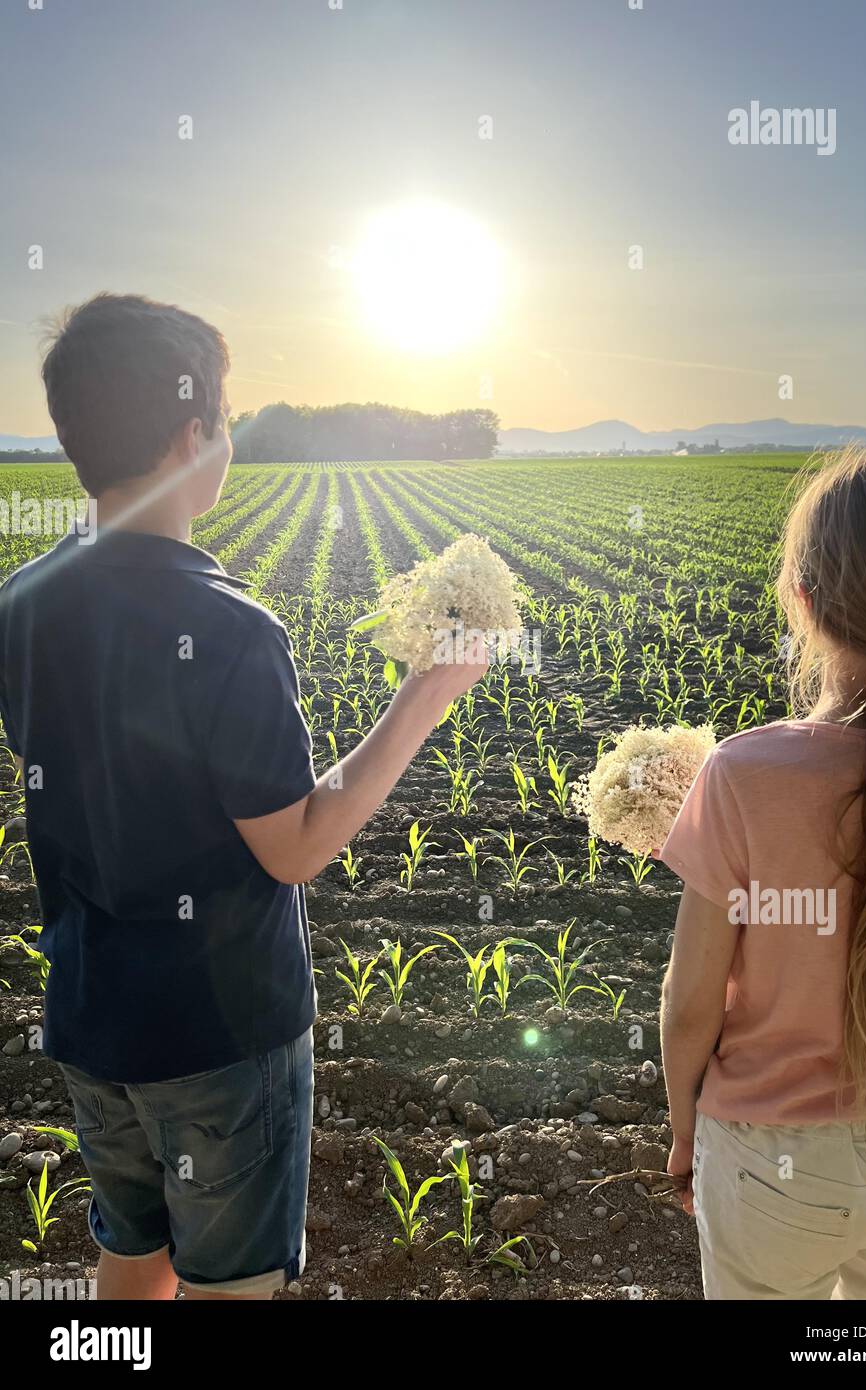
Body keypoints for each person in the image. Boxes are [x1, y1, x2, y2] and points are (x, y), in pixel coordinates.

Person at [0, 292, 485, 1299]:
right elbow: (297, 846)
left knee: (131, 1251)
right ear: (191, 436)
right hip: (217, 1038)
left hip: (94, 1018)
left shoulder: (22, 602)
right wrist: (420, 700)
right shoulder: (229, 628)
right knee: (232, 1284)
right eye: (223, 419)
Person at [659, 445, 866, 1300]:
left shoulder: (745, 774)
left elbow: (691, 1008)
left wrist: (685, 1133)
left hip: (772, 1160)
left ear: (801, 601)